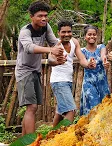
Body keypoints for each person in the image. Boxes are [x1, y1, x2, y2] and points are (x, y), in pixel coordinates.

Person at [15, 1, 65, 135]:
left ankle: (24, 142)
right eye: (39, 16)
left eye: (45, 15)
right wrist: (51, 50)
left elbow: (54, 42)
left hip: (36, 70)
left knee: (32, 108)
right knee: (31, 107)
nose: (43, 18)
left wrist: (61, 54)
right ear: (31, 17)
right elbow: (29, 48)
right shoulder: (25, 31)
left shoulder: (46, 27)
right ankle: (31, 142)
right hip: (24, 71)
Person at [49, 20, 96, 125]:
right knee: (70, 110)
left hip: (68, 81)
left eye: (69, 32)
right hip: (59, 81)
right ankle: (65, 137)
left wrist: (88, 64)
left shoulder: (74, 42)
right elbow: (50, 60)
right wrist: (57, 61)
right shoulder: (56, 44)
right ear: (58, 33)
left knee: (60, 112)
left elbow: (81, 59)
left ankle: (51, 137)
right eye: (63, 32)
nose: (66, 34)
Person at [80, 25, 111, 116]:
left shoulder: (101, 47)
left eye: (94, 34)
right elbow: (83, 62)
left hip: (102, 83)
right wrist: (88, 63)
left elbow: (103, 56)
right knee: (94, 105)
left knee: (105, 107)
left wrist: (104, 61)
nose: (92, 36)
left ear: (97, 36)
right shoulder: (82, 51)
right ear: (85, 36)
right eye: (89, 34)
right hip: (89, 83)